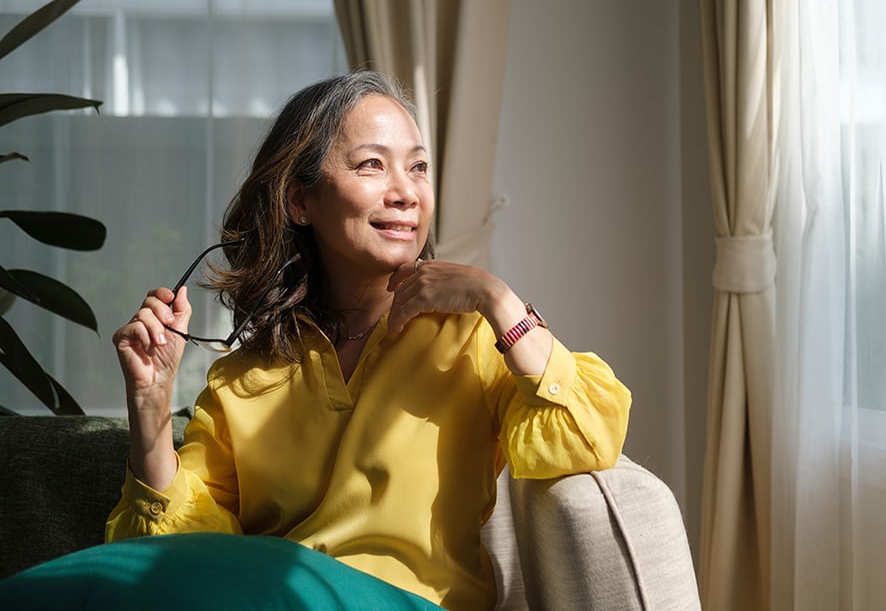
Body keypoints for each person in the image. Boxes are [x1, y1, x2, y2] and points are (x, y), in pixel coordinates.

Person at [107, 70, 631, 610]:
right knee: (89, 585)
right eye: (372, 165)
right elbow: (179, 558)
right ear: (300, 201)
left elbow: (584, 440)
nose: (405, 193)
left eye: (418, 167)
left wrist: (499, 301)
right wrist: (150, 405)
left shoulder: (472, 338)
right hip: (276, 598)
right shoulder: (242, 378)